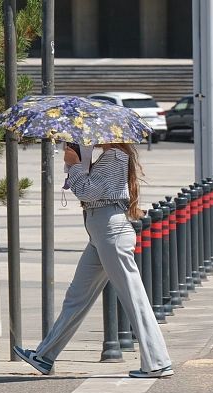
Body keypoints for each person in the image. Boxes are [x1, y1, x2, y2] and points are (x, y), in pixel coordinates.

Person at [14, 143, 173, 378]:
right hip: (101, 232)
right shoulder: (110, 156)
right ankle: (45, 356)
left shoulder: (114, 156)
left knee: (133, 297)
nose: (89, 138)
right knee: (77, 297)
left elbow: (89, 192)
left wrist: (76, 165)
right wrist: (76, 163)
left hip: (110, 231)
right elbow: (91, 189)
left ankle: (157, 362)